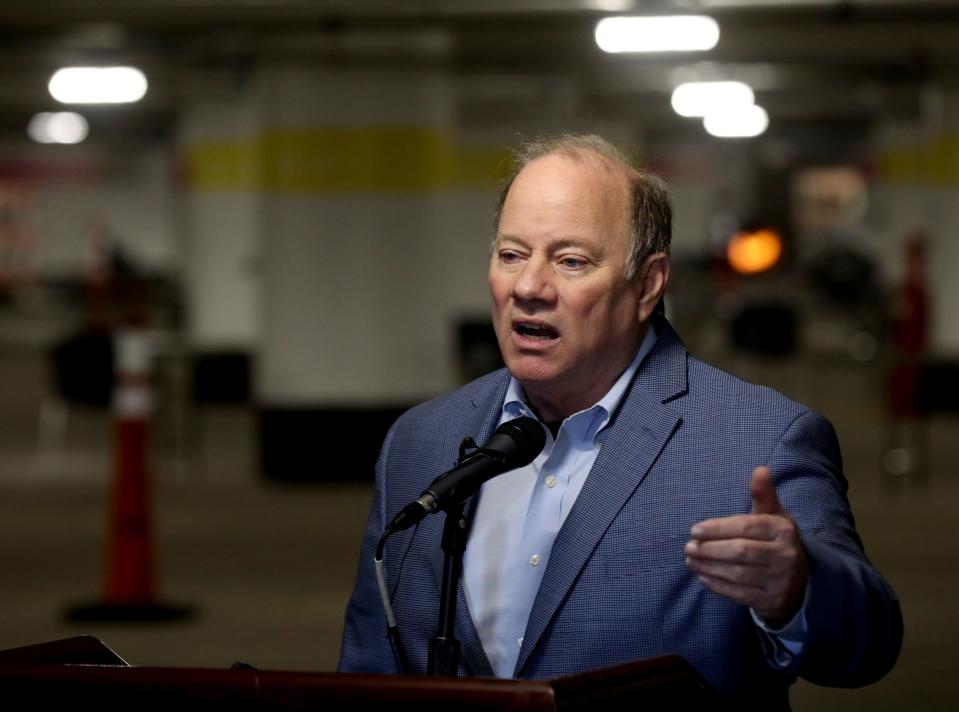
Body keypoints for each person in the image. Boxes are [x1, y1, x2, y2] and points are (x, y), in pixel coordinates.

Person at [338, 134, 902, 706]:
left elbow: (870, 644)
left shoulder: (761, 439)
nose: (529, 287)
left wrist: (799, 589)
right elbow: (366, 672)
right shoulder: (420, 440)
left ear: (647, 284)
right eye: (511, 254)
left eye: (570, 261)